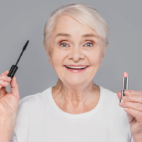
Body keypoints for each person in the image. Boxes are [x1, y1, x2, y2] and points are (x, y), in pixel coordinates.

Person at [0, 3, 141, 142]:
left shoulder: (129, 114)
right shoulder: (24, 112)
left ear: (103, 51)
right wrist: (4, 122)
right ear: (48, 51)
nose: (76, 56)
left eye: (88, 43)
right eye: (64, 44)